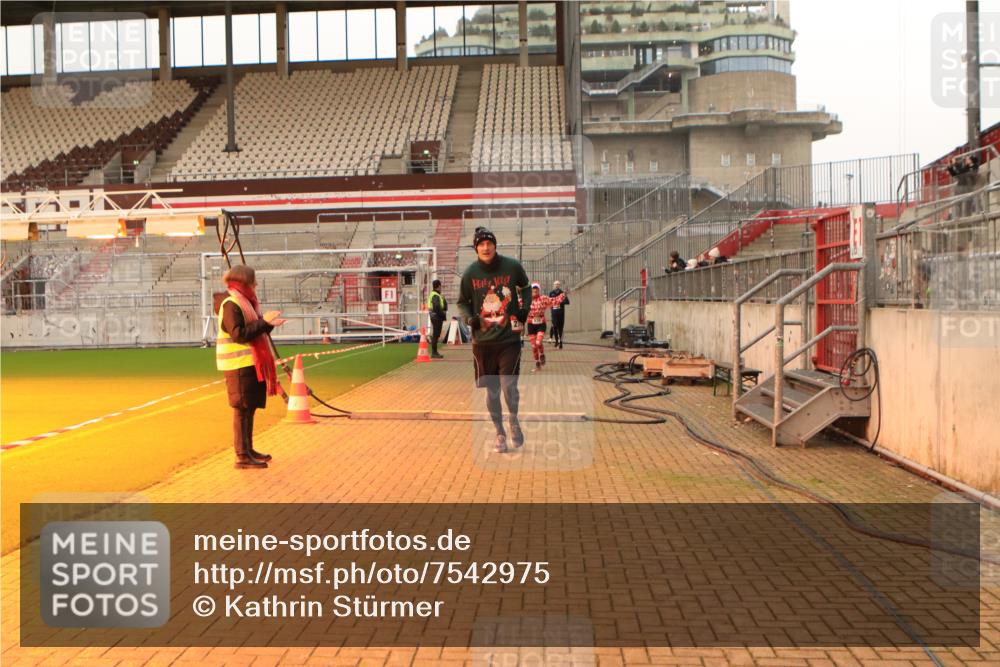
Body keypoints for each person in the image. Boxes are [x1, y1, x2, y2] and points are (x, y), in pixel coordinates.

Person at [457, 227, 531, 453]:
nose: (486, 247)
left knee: (508, 385)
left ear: (495, 245)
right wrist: (471, 319)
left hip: (508, 339)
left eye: (489, 243)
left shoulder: (512, 266)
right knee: (492, 391)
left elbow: (526, 288)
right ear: (476, 248)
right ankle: (499, 433)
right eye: (481, 244)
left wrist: (523, 310)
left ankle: (514, 420)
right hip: (483, 343)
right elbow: (462, 302)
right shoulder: (470, 274)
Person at [216, 265, 286, 469]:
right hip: (238, 365)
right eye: (253, 281)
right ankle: (242, 455)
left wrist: (268, 324)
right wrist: (264, 321)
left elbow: (252, 330)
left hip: (249, 364)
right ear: (244, 282)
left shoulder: (243, 302)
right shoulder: (231, 304)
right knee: (242, 410)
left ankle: (248, 449)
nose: (255, 285)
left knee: (249, 408)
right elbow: (239, 334)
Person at [525, 283, 566, 371]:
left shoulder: (543, 298)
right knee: (533, 346)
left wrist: (563, 294)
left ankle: (542, 354)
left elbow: (554, 300)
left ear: (539, 290)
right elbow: (516, 303)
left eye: (536, 290)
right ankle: (537, 363)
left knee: (538, 342)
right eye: (533, 290)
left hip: (541, 324)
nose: (534, 291)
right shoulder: (527, 299)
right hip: (531, 324)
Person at [427, 278, 447, 359]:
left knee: (436, 334)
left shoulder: (436, 295)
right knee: (436, 334)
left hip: (435, 316)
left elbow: (443, 306)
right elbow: (437, 307)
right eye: (440, 286)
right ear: (438, 286)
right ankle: (434, 353)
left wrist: (443, 299)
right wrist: (443, 315)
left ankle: (435, 352)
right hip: (436, 317)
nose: (441, 288)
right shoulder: (435, 295)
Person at [548, 279, 569, 349]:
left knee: (560, 328)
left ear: (559, 285)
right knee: (554, 327)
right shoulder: (551, 293)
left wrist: (559, 302)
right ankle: (556, 341)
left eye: (558, 284)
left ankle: (561, 343)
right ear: (553, 285)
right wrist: (552, 308)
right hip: (554, 314)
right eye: (555, 284)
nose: (556, 285)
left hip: (561, 314)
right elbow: (549, 302)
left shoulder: (562, 293)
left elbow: (567, 302)